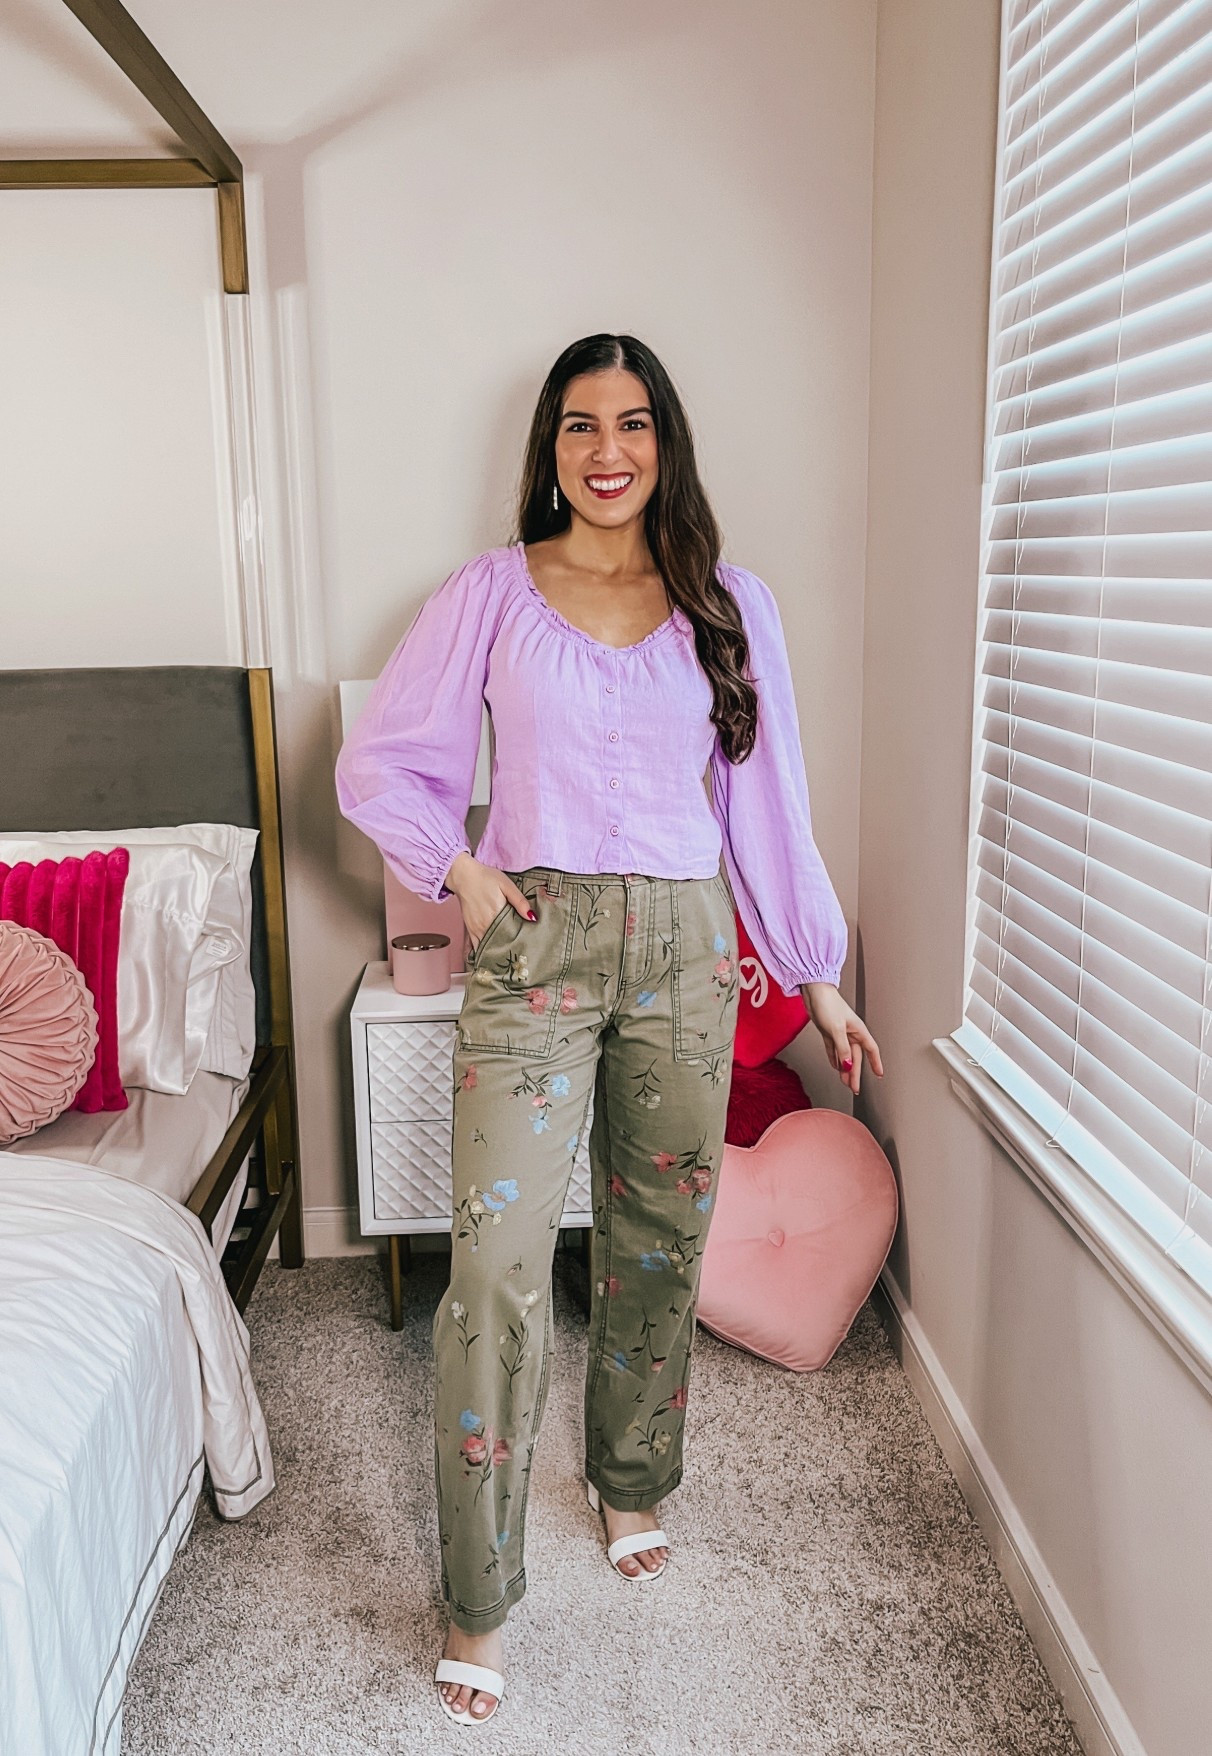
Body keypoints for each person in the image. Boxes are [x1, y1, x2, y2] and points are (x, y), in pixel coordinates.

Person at [334, 332, 883, 1726]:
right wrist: (455, 867)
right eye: (581, 427)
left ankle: (626, 1476)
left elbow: (767, 803)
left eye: (632, 424)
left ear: (664, 442)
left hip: (690, 952)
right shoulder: (492, 595)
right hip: (538, 945)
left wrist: (813, 973)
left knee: (657, 1244)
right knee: (497, 1275)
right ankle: (477, 1592)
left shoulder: (726, 602)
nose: (607, 452)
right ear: (550, 447)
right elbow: (386, 757)